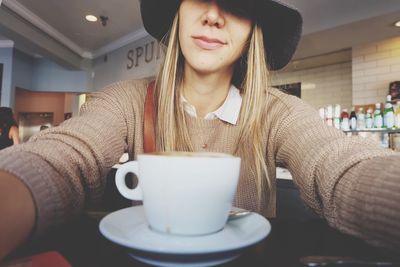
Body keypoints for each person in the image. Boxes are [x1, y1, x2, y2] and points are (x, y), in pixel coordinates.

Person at [0, 0, 399, 261]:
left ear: (252, 31)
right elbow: (64, 156)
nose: (213, 14)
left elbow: (338, 164)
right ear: (178, 12)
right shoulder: (127, 100)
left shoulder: (277, 112)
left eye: (236, 3)